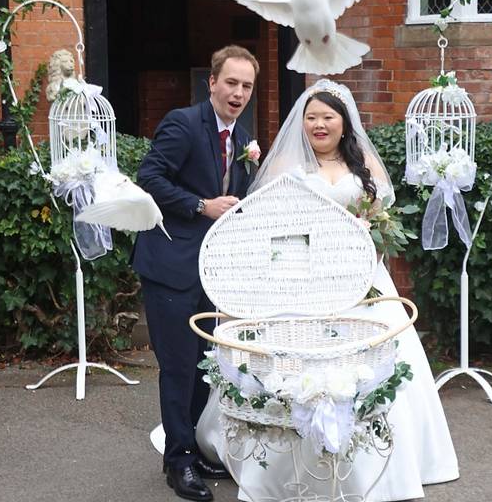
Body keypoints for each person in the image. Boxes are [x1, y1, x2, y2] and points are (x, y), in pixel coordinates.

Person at [195, 78, 460, 501]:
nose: (319, 125)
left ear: (344, 122)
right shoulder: (285, 169)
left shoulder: (365, 168)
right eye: (311, 117)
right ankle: (281, 470)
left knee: (377, 366)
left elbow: (381, 223)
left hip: (361, 282)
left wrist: (367, 242)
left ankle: (385, 464)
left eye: (328, 117)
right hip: (301, 284)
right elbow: (268, 227)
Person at [133, 45, 259, 502]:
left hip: (212, 270)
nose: (238, 92)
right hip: (170, 266)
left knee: (206, 367)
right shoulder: (184, 124)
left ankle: (195, 449)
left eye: (246, 86)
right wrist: (200, 206)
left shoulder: (242, 137)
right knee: (179, 366)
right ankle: (178, 463)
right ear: (212, 82)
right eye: (231, 82)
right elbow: (149, 176)